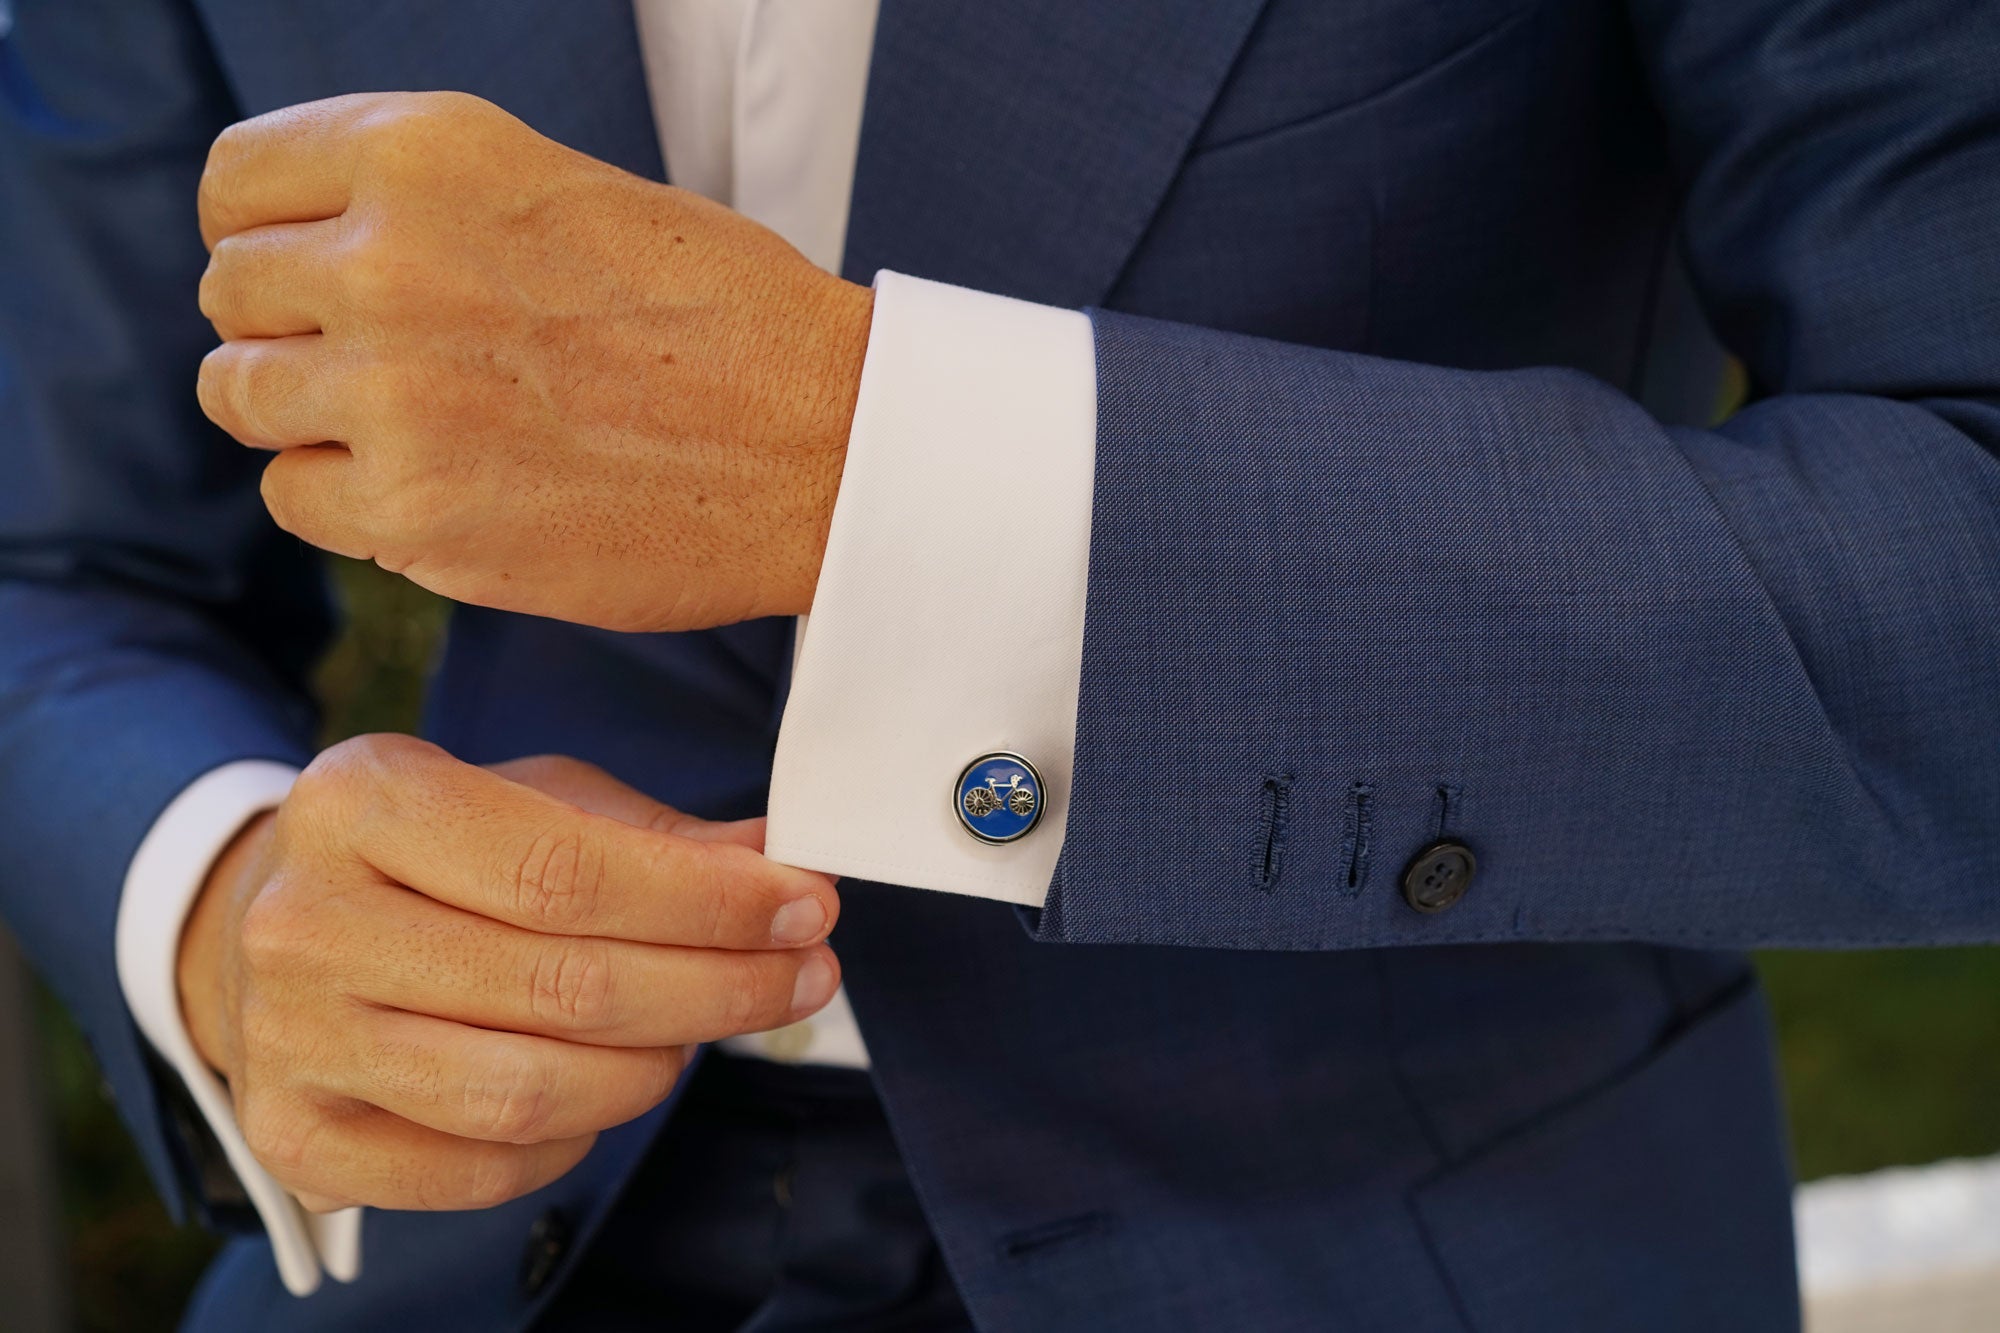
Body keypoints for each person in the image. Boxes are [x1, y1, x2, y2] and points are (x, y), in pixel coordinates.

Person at [2, 0, 1996, 1328]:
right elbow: (56, 560)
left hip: (1396, 1237)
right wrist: (219, 901)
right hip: (463, 1249)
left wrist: (885, 463)